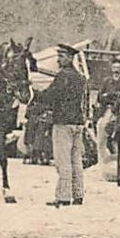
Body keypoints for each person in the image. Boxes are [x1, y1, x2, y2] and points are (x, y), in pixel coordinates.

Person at [42, 43, 89, 206]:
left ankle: (63, 196)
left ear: (70, 58)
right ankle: (78, 194)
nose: (58, 60)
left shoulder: (62, 76)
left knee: (63, 161)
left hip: (63, 122)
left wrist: (36, 95)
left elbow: (50, 95)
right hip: (78, 122)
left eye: (61, 56)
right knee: (76, 160)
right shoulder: (80, 77)